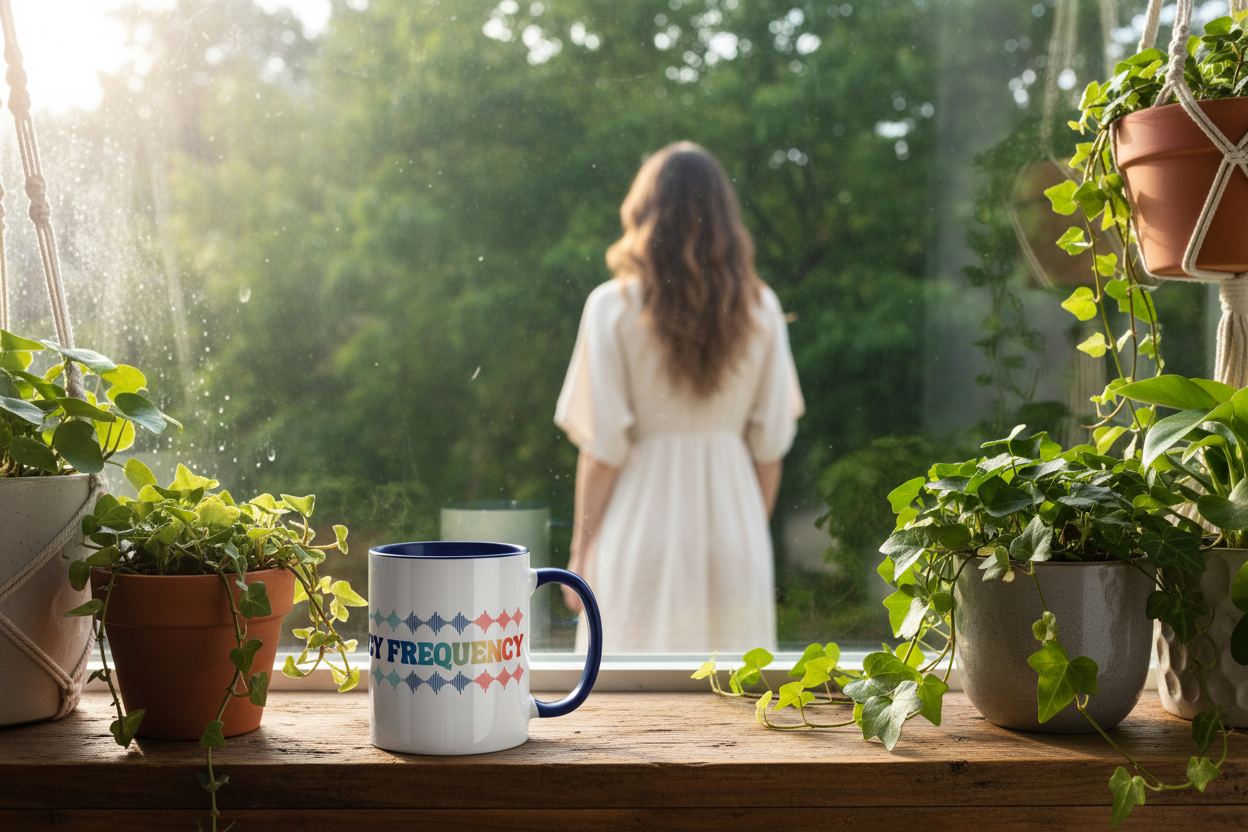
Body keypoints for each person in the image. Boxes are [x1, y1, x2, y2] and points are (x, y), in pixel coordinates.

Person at [554, 141, 804, 654]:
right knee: (737, 702)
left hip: (639, 525)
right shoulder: (762, 310)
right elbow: (771, 449)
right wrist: (744, 537)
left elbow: (602, 451)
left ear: (645, 211)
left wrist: (579, 553)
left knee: (627, 701)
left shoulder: (610, 307)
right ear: (723, 218)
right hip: (734, 525)